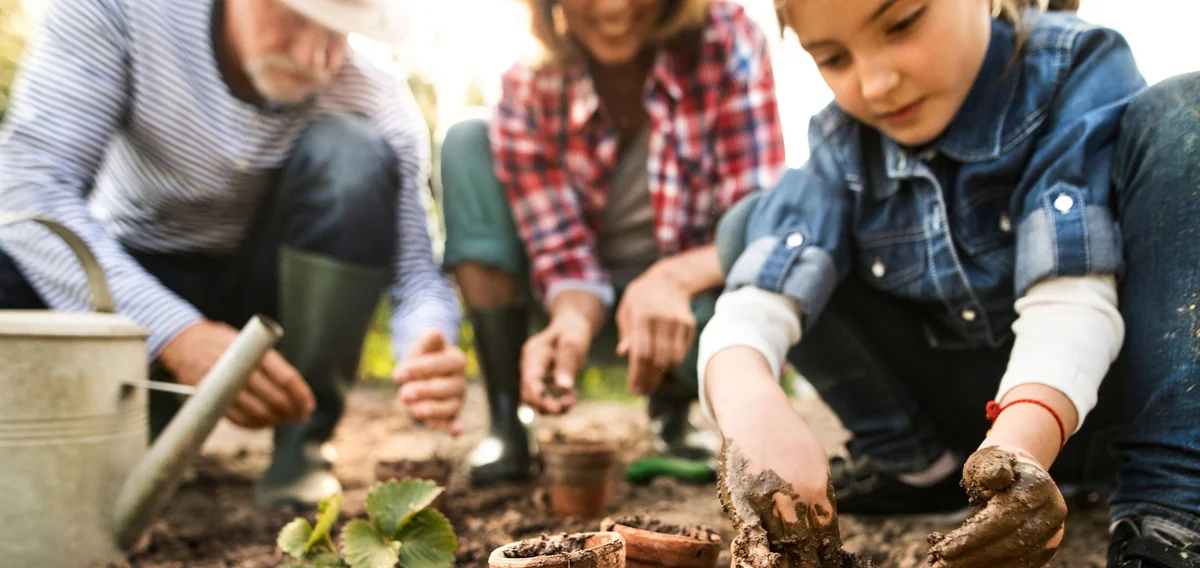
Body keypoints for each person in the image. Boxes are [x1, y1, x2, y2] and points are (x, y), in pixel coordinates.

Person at [697, 0, 1200, 565]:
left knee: (1188, 112)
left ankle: (1172, 510)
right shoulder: (842, 142)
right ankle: (921, 472)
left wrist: (1018, 447)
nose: (878, 82)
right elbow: (755, 302)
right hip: (964, 421)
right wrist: (753, 409)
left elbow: (1072, 295)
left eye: (903, 23)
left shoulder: (1074, 68)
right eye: (833, 58)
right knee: (753, 226)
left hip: (1097, 401)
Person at [0, 0, 468, 511]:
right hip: (132, 279)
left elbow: (416, 275)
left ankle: (302, 446)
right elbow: (29, 187)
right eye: (295, 17)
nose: (316, 58)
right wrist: (175, 333)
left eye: (341, 32)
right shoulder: (118, 11)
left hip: (268, 297)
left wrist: (429, 342)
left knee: (354, 153)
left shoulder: (371, 92)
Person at [439, 0, 786, 486]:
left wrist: (671, 279)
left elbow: (758, 221)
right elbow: (561, 254)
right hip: (576, 308)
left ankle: (674, 407)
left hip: (691, 309)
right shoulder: (526, 85)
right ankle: (505, 415)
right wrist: (573, 318)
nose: (614, 5)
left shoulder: (728, 38)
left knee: (773, 272)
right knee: (466, 140)